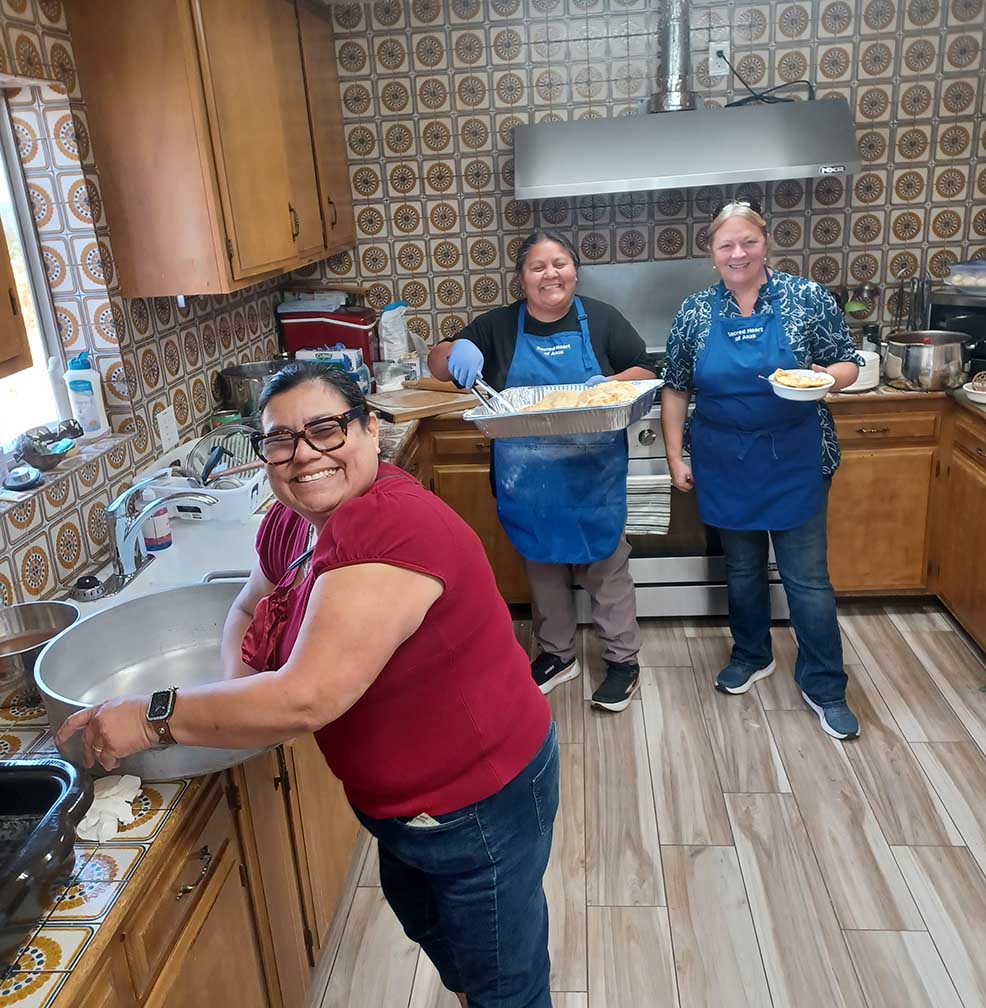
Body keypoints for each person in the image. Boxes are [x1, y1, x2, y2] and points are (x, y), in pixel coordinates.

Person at [57, 362, 558, 1008]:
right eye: (281, 440)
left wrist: (155, 717)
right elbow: (244, 607)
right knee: (455, 955)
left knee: (506, 991)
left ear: (371, 429)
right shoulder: (293, 524)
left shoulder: (391, 528)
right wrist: (235, 694)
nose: (304, 455)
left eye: (326, 429)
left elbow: (305, 696)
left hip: (478, 805)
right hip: (406, 809)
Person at [428, 231, 656, 713]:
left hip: (591, 478)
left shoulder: (603, 320)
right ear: (521, 279)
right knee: (543, 567)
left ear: (574, 270)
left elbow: (643, 369)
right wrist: (454, 354)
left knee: (606, 569)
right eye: (538, 267)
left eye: (560, 264)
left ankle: (622, 660)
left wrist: (609, 383)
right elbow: (439, 363)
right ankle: (557, 655)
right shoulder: (499, 327)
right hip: (527, 481)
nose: (551, 274)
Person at [661, 199, 862, 740]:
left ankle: (824, 683)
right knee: (743, 570)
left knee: (807, 579)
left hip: (796, 456)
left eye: (747, 241)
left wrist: (828, 380)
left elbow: (847, 359)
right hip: (724, 458)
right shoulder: (695, 311)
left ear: (764, 242)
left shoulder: (805, 297)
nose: (738, 253)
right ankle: (752, 654)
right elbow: (676, 387)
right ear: (711, 254)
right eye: (726, 245)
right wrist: (676, 454)